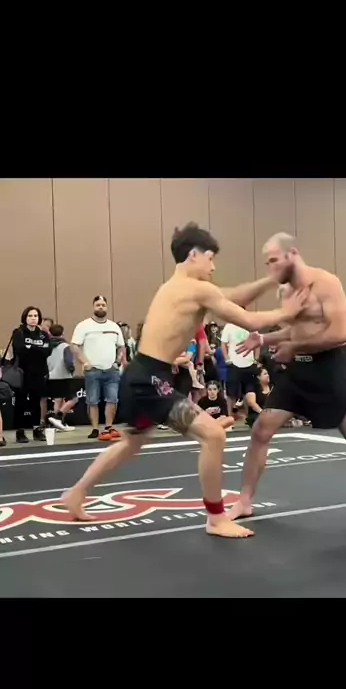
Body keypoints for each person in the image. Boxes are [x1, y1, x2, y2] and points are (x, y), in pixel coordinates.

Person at [62, 222, 308, 539]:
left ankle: (77, 492)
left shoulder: (177, 287)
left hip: (141, 374)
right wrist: (289, 312)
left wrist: (271, 279)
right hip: (150, 378)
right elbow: (248, 319)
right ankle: (216, 518)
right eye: (210, 258)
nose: (213, 266)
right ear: (194, 255)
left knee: (131, 443)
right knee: (213, 436)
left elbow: (233, 296)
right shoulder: (196, 290)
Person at [228, 232, 346, 520]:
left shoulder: (326, 284)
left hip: (329, 369)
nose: (270, 268)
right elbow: (296, 330)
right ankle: (245, 501)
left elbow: (339, 334)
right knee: (260, 430)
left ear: (292, 254)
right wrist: (265, 339)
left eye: (274, 260)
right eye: (267, 263)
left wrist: (294, 346)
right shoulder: (285, 292)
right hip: (298, 372)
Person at [71, 296, 125, 441]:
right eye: (98, 305)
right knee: (92, 400)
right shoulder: (84, 326)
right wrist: (84, 362)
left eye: (103, 305)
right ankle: (95, 428)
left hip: (111, 370)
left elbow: (121, 346)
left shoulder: (114, 327)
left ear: (106, 307)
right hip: (92, 370)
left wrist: (117, 362)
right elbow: (75, 346)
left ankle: (109, 427)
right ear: (93, 307)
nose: (100, 307)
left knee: (112, 399)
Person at [12, 306, 51, 443]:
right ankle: (20, 432)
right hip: (22, 373)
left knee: (36, 402)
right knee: (21, 403)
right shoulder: (19, 332)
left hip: (39, 373)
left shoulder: (43, 334)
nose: (33, 318)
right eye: (30, 316)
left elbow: (48, 351)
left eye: (35, 316)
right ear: (25, 317)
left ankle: (37, 430)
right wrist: (38, 349)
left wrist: (31, 348)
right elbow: (20, 349)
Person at [47, 323, 78, 432]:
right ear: (62, 333)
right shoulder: (65, 346)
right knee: (73, 399)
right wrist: (72, 370)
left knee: (58, 399)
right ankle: (58, 417)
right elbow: (68, 361)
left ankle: (57, 425)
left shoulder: (47, 346)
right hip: (64, 376)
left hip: (51, 376)